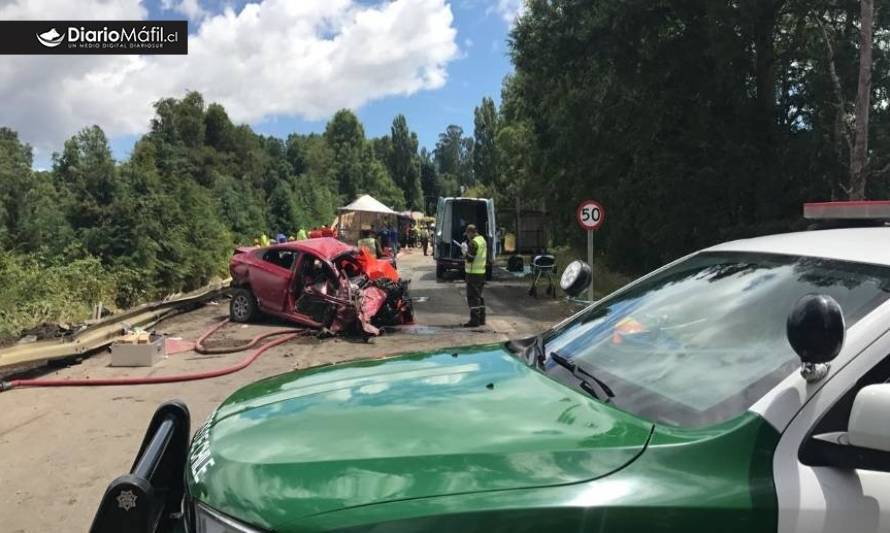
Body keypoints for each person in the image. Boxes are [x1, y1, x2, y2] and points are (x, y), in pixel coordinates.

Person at [462, 224, 487, 327]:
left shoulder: (473, 243)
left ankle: (475, 321)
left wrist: (464, 252)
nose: (467, 236)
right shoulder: (482, 240)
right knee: (479, 297)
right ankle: (482, 319)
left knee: (473, 298)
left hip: (473, 274)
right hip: (481, 272)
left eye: (467, 234)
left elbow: (470, 259)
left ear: (471, 232)